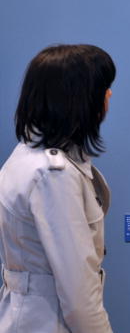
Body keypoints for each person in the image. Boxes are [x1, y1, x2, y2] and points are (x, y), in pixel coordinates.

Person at [0, 45, 116, 332]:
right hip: (50, 322)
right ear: (80, 99)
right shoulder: (53, 175)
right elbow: (79, 293)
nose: (109, 95)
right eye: (103, 87)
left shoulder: (26, 156)